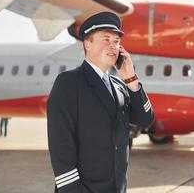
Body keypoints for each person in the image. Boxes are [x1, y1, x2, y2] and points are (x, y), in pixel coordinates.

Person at [47, 11, 154, 193]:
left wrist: (131, 79)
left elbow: (145, 120)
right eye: (106, 39)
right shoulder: (69, 82)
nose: (113, 46)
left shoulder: (120, 86)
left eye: (116, 41)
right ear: (87, 44)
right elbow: (60, 144)